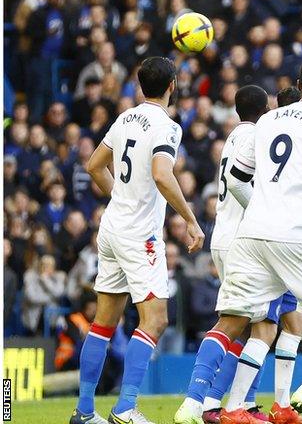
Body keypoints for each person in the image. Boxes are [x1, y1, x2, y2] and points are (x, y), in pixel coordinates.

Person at [176, 56, 302, 424]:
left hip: (251, 234)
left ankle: (193, 404)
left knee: (230, 322)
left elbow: (237, 174)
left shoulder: (265, 121)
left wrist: (264, 205)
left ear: (298, 81)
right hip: (296, 235)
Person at [70, 57, 205, 424]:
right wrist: (190, 218)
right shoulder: (167, 126)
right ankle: (126, 407)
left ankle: (84, 411)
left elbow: (94, 165)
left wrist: (120, 198)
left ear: (141, 85)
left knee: (103, 321)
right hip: (139, 234)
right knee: (156, 319)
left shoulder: (125, 117)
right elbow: (163, 175)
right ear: (173, 86)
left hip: (112, 228)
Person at [175, 85, 302, 424]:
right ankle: (198, 402)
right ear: (265, 108)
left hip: (225, 234)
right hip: (242, 240)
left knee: (255, 325)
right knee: (240, 324)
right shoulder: (257, 136)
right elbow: (239, 182)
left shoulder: (234, 136)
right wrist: (265, 213)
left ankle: (227, 404)